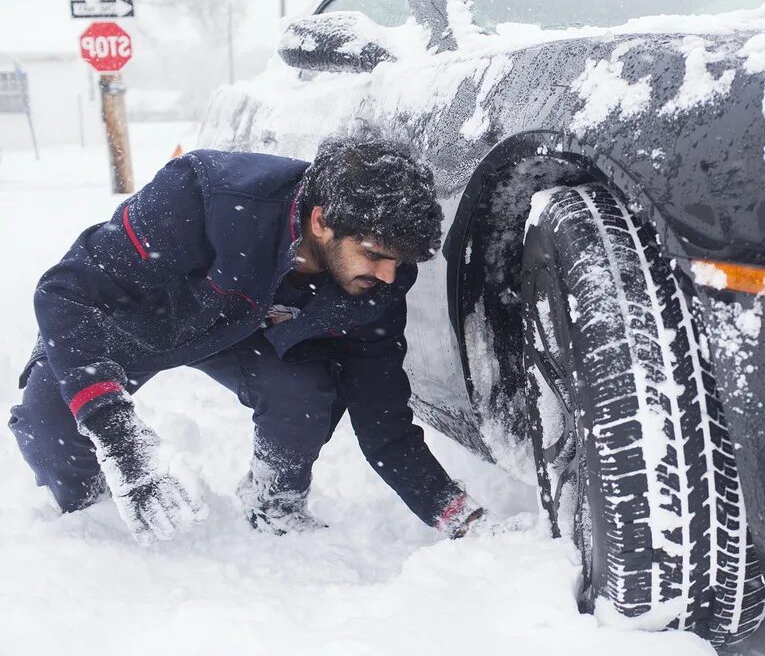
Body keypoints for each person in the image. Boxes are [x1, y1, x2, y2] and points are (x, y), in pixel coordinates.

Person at [8, 136, 486, 544]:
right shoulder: (204, 197)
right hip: (129, 324)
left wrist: (451, 511)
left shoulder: (377, 282)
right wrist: (118, 437)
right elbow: (66, 293)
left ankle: (274, 503)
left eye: (399, 261)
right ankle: (92, 515)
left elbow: (383, 416)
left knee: (303, 393)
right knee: (49, 425)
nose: (388, 274)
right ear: (321, 221)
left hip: (236, 333)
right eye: (375, 254)